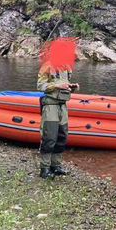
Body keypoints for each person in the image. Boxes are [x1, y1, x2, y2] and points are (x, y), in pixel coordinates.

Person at [37, 39, 79, 179]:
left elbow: (65, 85)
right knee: (49, 137)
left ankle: (56, 166)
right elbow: (41, 86)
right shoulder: (47, 66)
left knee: (62, 136)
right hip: (51, 106)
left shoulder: (67, 67)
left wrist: (72, 87)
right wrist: (57, 86)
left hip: (63, 106)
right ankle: (44, 169)